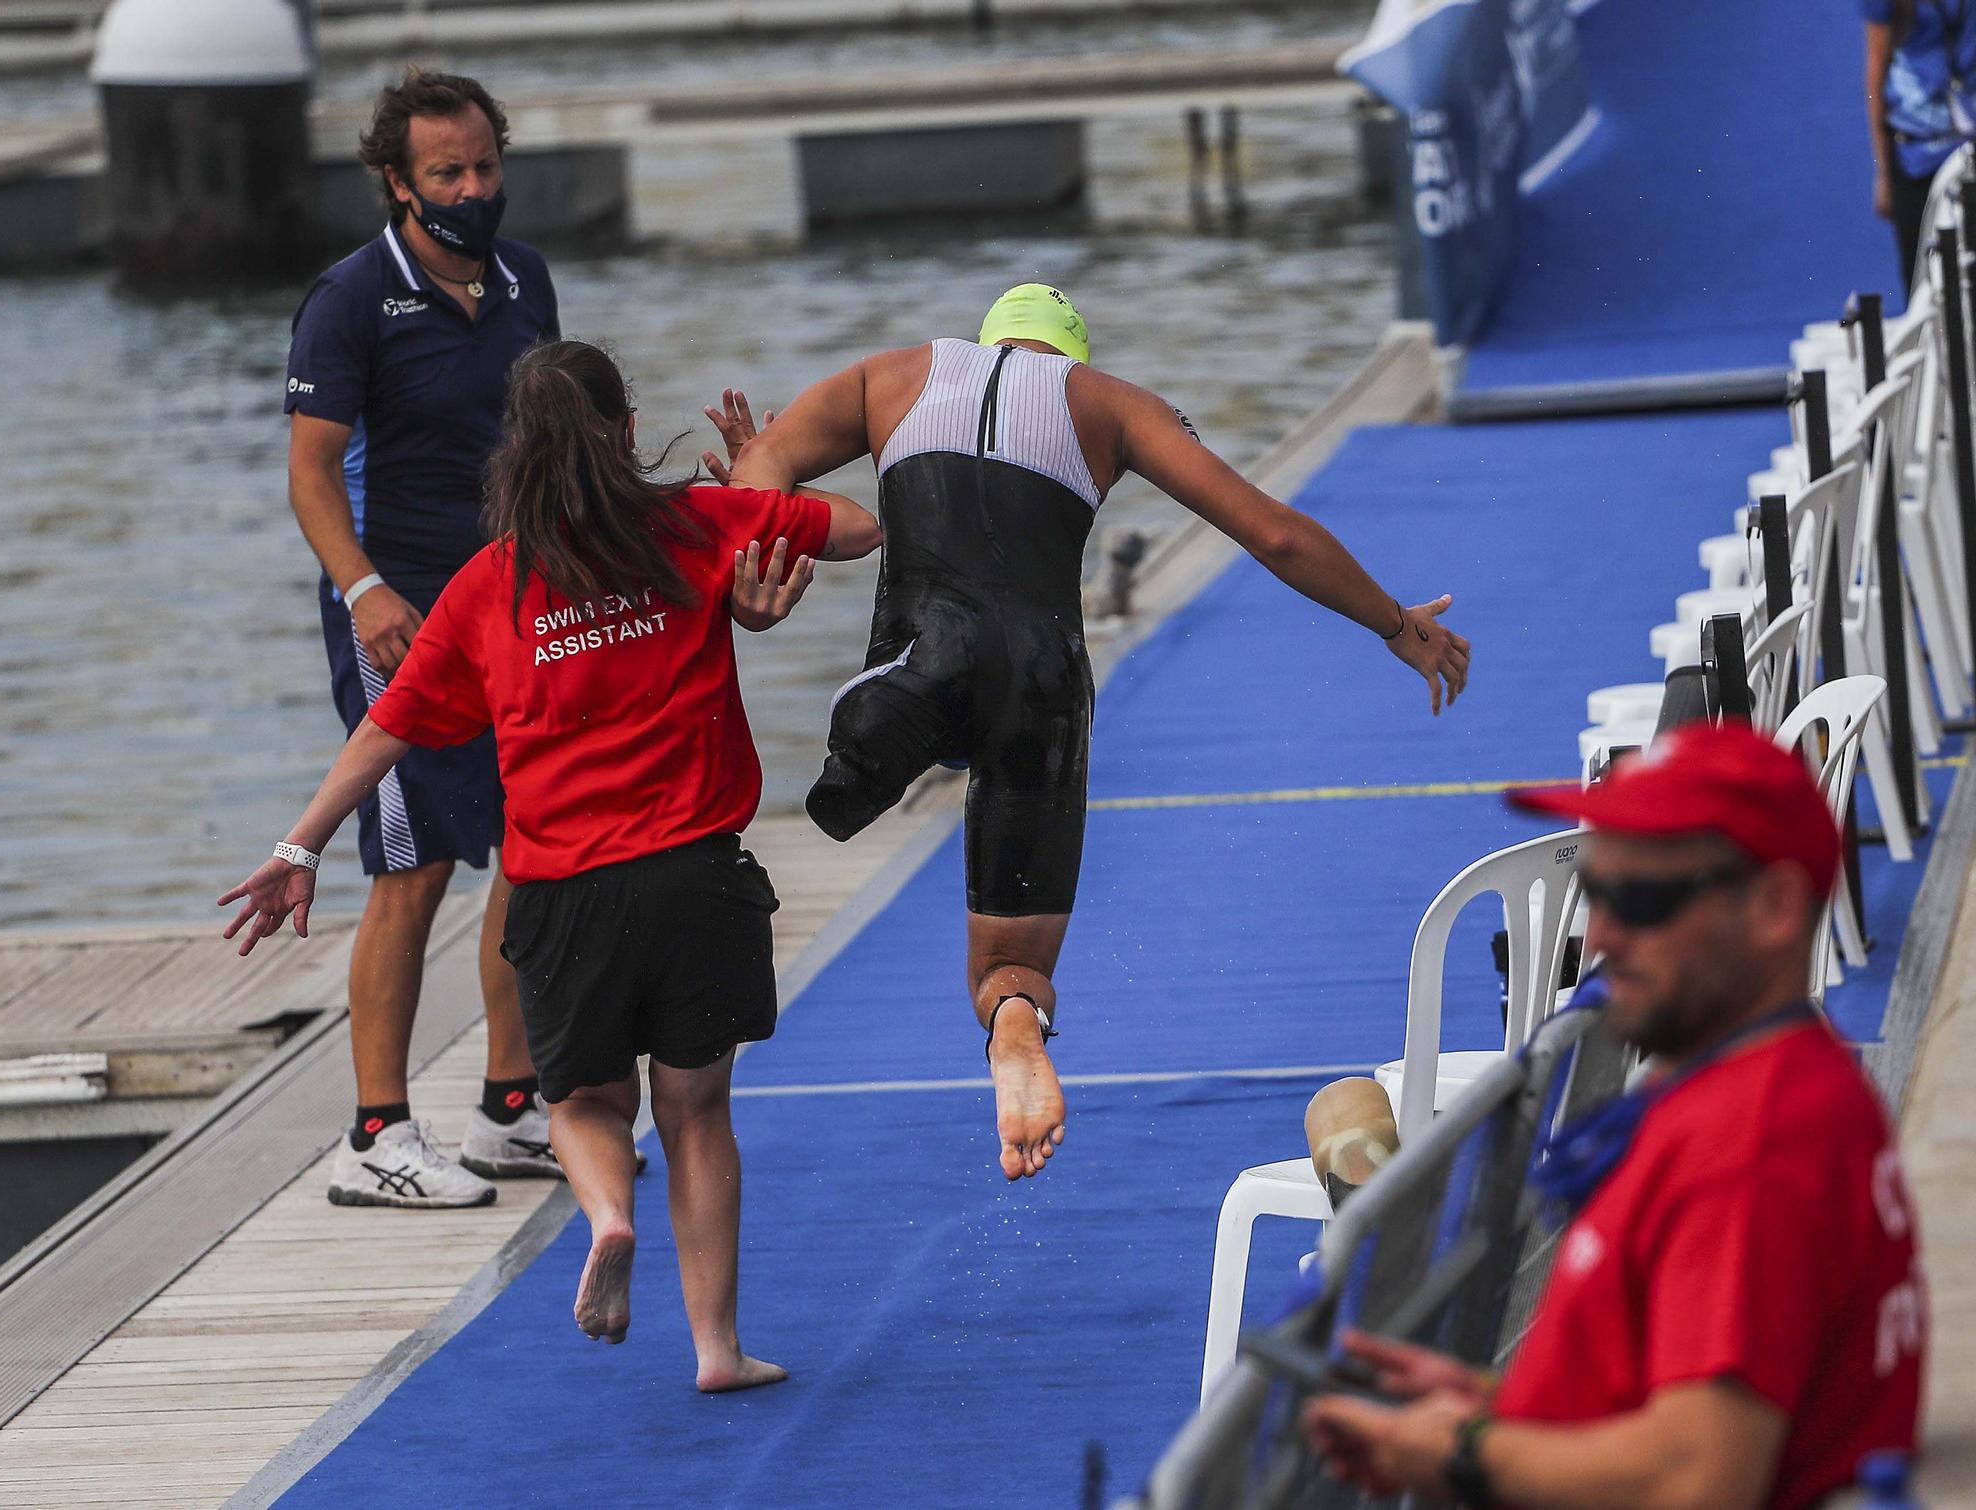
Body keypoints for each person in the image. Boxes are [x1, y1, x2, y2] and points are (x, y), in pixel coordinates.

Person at [226, 339, 882, 1386]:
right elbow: (858, 528)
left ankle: (608, 1212)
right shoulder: (695, 525)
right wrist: (760, 490)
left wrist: (295, 844)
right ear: (624, 435)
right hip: (698, 876)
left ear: (515, 455)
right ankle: (716, 1347)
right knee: (698, 1109)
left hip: (565, 891)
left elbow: (387, 727)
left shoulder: (491, 585)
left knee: (580, 1105)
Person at [717, 282, 1470, 1183]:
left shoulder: (890, 375)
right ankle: (1015, 1029)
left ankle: (873, 744)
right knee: (1005, 964)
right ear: (1070, 357)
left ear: (988, 339)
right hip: (1043, 689)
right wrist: (1397, 624)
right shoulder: (1110, 405)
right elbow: (1272, 535)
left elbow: (764, 470)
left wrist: (751, 528)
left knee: (898, 697)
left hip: (924, 660)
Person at [1302, 721, 1926, 1510]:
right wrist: (1497, 1406)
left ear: (1773, 908)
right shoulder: (1772, 1081)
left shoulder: (1751, 1144)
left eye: (1642, 898)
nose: (1601, 935)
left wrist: (1466, 1454)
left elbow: (1698, 1479)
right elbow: (1688, 1408)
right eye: (1596, 892)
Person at [284, 68, 568, 1206]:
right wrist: (363, 591)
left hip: (512, 602)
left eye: (485, 165)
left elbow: (550, 446)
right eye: (446, 172)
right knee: (414, 863)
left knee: (531, 839)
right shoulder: (349, 299)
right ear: (397, 181)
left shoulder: (525, 278)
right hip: (394, 616)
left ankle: (509, 1107)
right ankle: (375, 1134)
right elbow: (309, 477)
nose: (471, 186)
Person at [1864, 0, 1976, 290]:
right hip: (1917, 153)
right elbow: (1876, 72)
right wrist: (1884, 174)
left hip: (1970, 146)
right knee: (1924, 286)